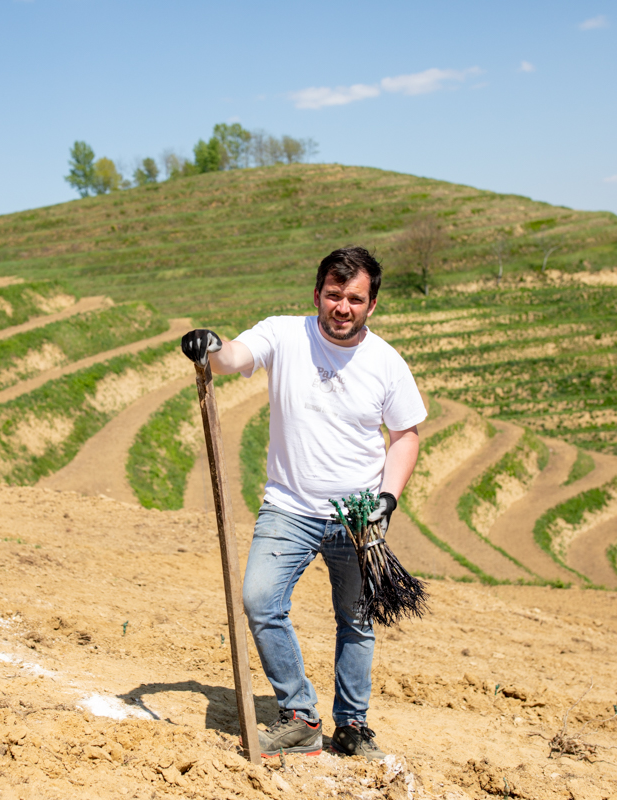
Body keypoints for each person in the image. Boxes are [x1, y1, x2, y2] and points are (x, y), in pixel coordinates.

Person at [180, 246, 426, 760]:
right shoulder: (284, 334)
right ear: (317, 294)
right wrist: (211, 345)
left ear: (372, 304)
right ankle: (300, 717)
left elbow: (405, 435)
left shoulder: (386, 362)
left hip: (358, 516)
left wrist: (388, 498)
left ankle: (353, 726)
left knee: (356, 621)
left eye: (354, 299)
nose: (342, 307)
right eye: (333, 295)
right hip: (289, 506)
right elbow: (233, 358)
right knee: (260, 601)